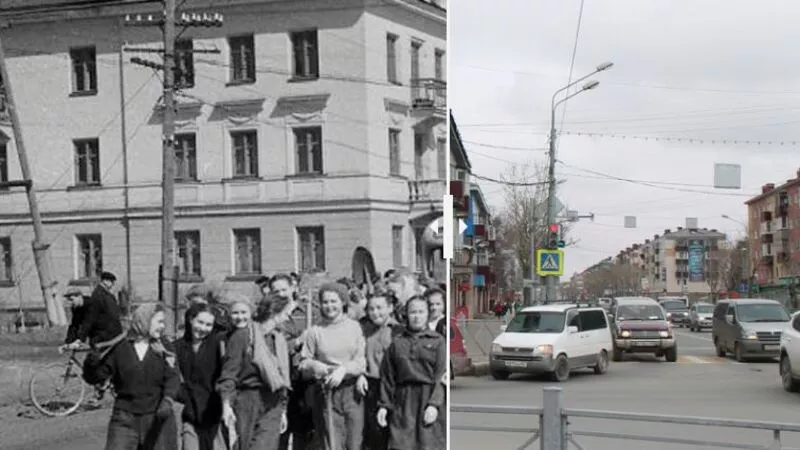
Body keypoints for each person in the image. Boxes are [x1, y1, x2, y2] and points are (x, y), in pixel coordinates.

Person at [89, 303, 180, 450]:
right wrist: (92, 364)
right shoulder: (121, 347)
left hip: (158, 415)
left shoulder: (165, 347)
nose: (163, 326)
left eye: (164, 322)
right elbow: (97, 377)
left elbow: (173, 377)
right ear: (144, 321)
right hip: (125, 418)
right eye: (159, 322)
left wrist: (168, 400)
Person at [217, 293, 294, 450]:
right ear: (274, 313)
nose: (287, 318)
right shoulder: (244, 336)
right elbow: (229, 373)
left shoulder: (278, 339)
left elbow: (282, 377)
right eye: (286, 313)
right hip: (248, 399)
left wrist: (283, 409)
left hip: (273, 401)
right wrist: (226, 403)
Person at [299, 282, 367, 450]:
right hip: (326, 391)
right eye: (325, 302)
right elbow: (303, 362)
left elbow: (360, 362)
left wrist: (344, 370)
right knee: (332, 442)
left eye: (333, 301)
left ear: (343, 302)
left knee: (354, 442)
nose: (329, 306)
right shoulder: (314, 331)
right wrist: (315, 365)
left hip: (352, 393)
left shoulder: (354, 327)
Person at [377, 296, 446, 450]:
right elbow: (388, 377)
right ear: (406, 314)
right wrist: (384, 406)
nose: (416, 316)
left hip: (427, 397)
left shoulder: (438, 341)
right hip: (403, 402)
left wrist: (434, 405)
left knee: (428, 444)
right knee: (401, 444)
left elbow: (441, 376)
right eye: (413, 312)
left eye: (421, 312)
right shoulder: (397, 343)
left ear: (428, 314)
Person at [175, 303, 226, 450]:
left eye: (208, 325)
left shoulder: (217, 344)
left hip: (214, 411)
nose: (203, 328)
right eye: (200, 322)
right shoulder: (177, 347)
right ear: (191, 319)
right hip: (189, 411)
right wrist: (182, 395)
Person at [358, 291, 399, 450]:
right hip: (370, 386)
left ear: (390, 308)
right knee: (372, 433)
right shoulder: (363, 330)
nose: (375, 312)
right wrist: (361, 373)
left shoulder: (398, 331)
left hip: (391, 387)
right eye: (371, 308)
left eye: (379, 308)